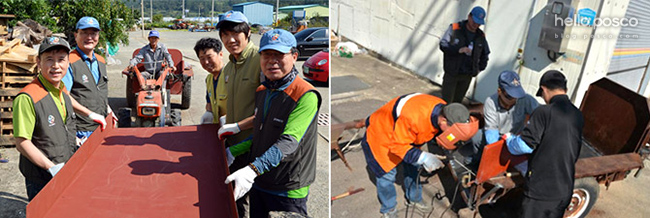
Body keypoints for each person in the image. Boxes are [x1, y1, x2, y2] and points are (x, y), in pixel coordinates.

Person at [224, 29, 321, 218]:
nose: (272, 61)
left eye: (279, 55)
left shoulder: (305, 95)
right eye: (267, 55)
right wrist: (232, 151)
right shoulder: (263, 90)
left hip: (287, 187)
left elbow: (288, 142)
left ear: (294, 56)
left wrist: (252, 170)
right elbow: (262, 134)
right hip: (261, 181)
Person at [13, 36, 107, 200]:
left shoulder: (60, 88)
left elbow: (66, 103)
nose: (56, 66)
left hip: (65, 167)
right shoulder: (28, 98)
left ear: (68, 62)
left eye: (61, 59)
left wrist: (90, 114)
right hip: (42, 176)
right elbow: (22, 142)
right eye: (49, 59)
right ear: (38, 62)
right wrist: (51, 167)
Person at [360, 93, 478, 218]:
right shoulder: (414, 118)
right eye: (452, 132)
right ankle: (388, 209)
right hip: (382, 135)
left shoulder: (443, 109)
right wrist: (423, 157)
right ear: (443, 120)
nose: (451, 135)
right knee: (386, 176)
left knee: (413, 167)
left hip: (406, 133)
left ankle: (414, 198)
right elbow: (398, 146)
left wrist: (422, 156)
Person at [504, 70, 584, 218]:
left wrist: (509, 140)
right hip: (564, 189)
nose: (544, 99)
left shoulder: (544, 112)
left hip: (541, 191)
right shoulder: (577, 114)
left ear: (544, 89)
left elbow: (524, 146)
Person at [214, 10, 261, 217]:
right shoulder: (230, 66)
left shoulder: (261, 60)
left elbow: (269, 113)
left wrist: (239, 130)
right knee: (236, 203)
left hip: (254, 146)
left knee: (256, 202)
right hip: (234, 145)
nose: (230, 40)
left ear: (248, 32)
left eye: (235, 33)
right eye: (225, 35)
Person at [461, 71, 538, 164]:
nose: (514, 99)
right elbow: (491, 132)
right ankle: (478, 160)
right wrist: (495, 154)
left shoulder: (526, 99)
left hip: (515, 136)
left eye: (516, 96)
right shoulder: (490, 102)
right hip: (497, 136)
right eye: (509, 96)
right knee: (477, 137)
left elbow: (540, 116)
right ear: (499, 91)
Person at [61, 16, 115, 145]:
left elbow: (98, 91)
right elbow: (63, 95)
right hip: (81, 129)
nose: (89, 37)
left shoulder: (101, 61)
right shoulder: (70, 61)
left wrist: (108, 110)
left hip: (101, 125)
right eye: (84, 33)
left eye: (93, 33)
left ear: (98, 35)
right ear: (76, 35)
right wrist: (90, 114)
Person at [439, 6, 490, 103]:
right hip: (452, 73)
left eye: (479, 23)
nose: (476, 25)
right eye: (474, 21)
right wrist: (458, 50)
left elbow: (485, 54)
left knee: (457, 102)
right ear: (469, 16)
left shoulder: (480, 36)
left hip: (467, 75)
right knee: (445, 102)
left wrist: (479, 68)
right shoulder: (455, 28)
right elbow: (443, 45)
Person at [193, 37, 226, 124]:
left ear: (221, 55)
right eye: (202, 58)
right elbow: (209, 103)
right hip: (217, 128)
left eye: (209, 57)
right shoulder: (209, 79)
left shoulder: (232, 75)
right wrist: (208, 113)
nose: (206, 62)